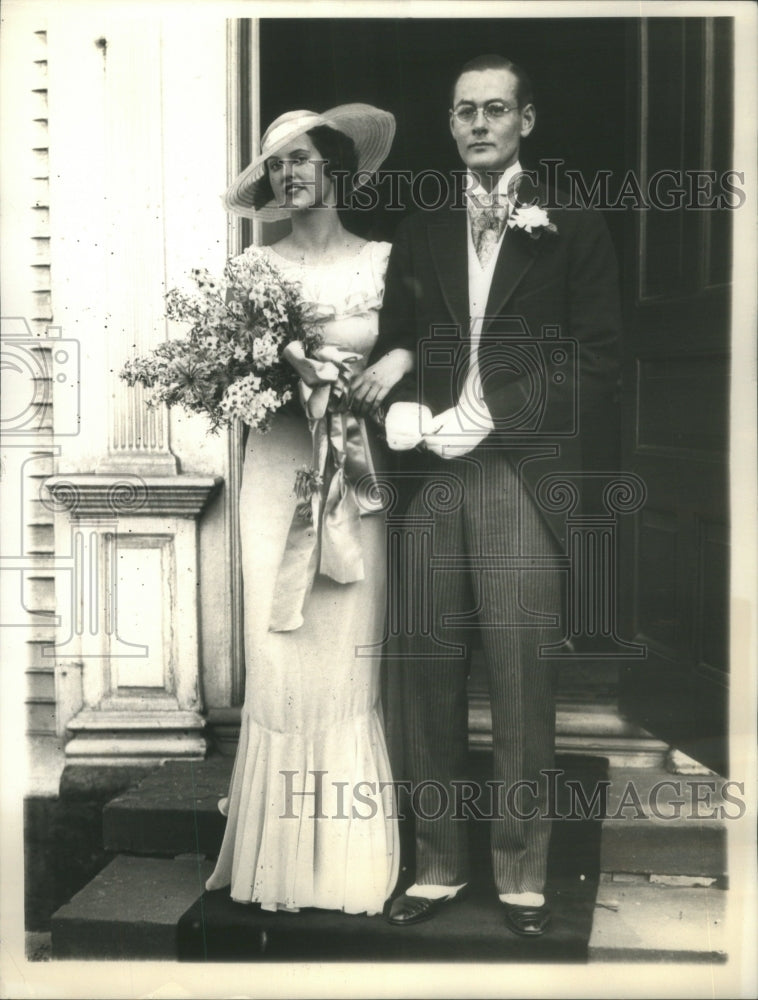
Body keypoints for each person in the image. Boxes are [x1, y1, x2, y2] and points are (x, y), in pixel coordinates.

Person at [370, 55, 621, 936]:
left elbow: (597, 358)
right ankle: (437, 864)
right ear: (450, 124)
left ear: (526, 120)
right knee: (427, 672)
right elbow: (400, 337)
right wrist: (405, 401)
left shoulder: (572, 222)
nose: (480, 123)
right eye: (465, 111)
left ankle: (521, 874)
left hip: (519, 470)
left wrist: (492, 415)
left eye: (496, 109)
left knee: (520, 674)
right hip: (434, 476)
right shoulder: (421, 227)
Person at [206, 104, 414, 915]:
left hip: (356, 477)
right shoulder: (253, 271)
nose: (289, 175)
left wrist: (393, 361)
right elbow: (225, 381)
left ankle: (348, 859)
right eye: (276, 165)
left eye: (302, 159)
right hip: (279, 475)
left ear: (336, 168)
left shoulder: (384, 261)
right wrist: (277, 375)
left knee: (347, 650)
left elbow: (427, 343)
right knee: (283, 647)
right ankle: (279, 860)